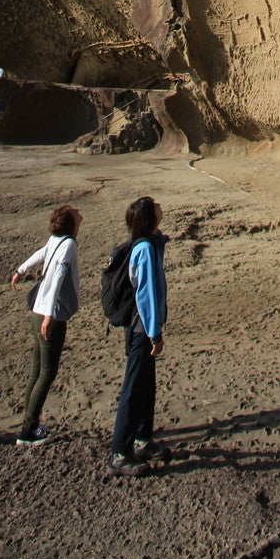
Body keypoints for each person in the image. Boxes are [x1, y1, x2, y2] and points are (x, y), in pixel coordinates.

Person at [10, 204, 82, 445]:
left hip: (37, 311)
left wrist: (21, 269)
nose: (79, 211)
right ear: (71, 222)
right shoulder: (69, 244)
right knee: (47, 372)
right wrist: (51, 314)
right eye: (75, 211)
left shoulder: (57, 240)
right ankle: (29, 430)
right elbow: (59, 275)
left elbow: (42, 253)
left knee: (37, 369)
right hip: (50, 315)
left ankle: (28, 421)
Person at [108, 195, 169, 477]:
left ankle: (143, 439)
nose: (160, 206)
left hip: (144, 329)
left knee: (146, 385)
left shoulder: (150, 244)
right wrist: (154, 333)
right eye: (154, 205)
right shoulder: (144, 249)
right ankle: (120, 452)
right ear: (148, 216)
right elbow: (145, 296)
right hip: (141, 330)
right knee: (133, 388)